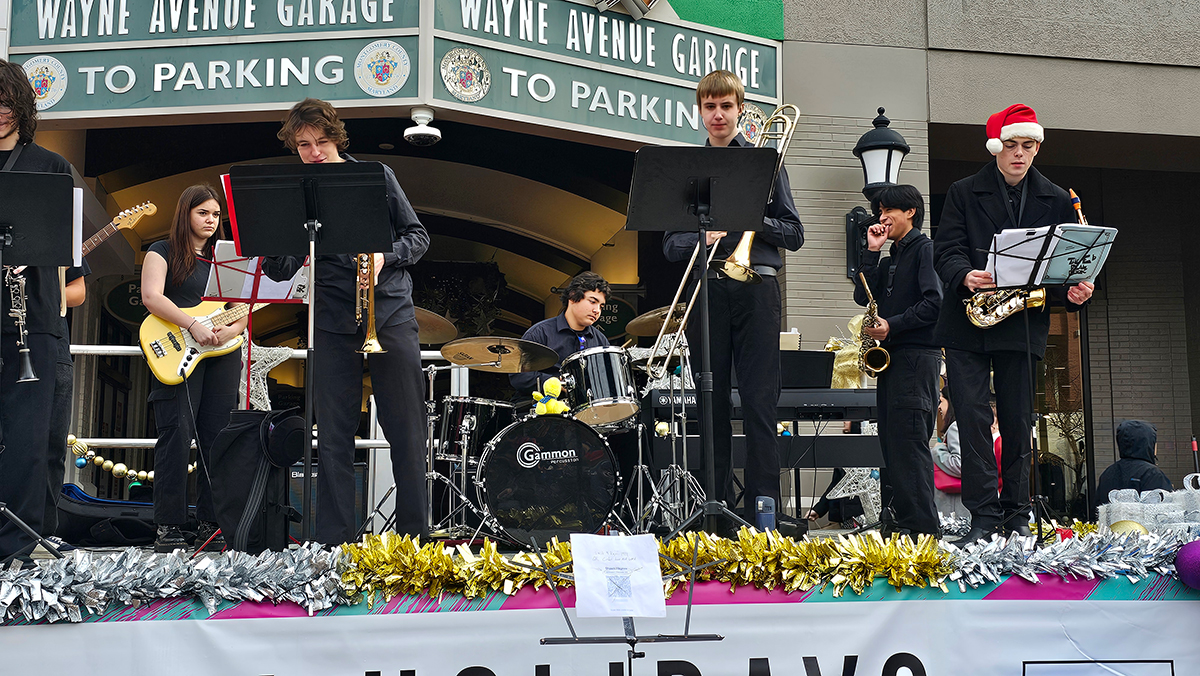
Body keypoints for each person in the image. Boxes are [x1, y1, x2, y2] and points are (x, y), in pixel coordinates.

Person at [263, 98, 429, 545]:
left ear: (336, 136)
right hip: (332, 318)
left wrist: (384, 255)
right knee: (333, 435)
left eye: (320, 141)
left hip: (389, 312)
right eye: (303, 145)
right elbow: (278, 269)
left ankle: (416, 540)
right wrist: (274, 234)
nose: (313, 152)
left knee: (407, 428)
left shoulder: (376, 175)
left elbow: (418, 236)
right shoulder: (297, 190)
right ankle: (335, 544)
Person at [932, 103, 1094, 543]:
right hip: (968, 318)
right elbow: (945, 249)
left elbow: (1063, 268)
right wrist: (964, 274)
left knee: (1020, 420)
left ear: (1037, 147)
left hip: (1022, 321)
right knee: (970, 416)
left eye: (1027, 145)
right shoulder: (964, 191)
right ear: (995, 148)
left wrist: (1075, 293)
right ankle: (983, 516)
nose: (1019, 154)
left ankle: (1017, 514)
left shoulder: (1059, 198)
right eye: (1010, 145)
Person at [662, 70, 803, 526]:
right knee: (711, 402)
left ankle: (764, 513)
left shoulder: (767, 163)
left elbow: (795, 234)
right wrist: (703, 236)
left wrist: (750, 220)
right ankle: (715, 515)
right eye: (709, 106)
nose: (718, 115)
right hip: (708, 290)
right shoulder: (689, 168)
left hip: (757, 287)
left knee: (761, 402)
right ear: (698, 111)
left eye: (726, 106)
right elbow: (670, 245)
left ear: (741, 110)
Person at [0, 59, 85, 565]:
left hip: (32, 322)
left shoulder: (51, 167)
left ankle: (15, 547)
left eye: (7, 104)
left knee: (30, 442)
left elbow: (69, 255)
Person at [141, 185, 247, 553]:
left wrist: (229, 330)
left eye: (216, 215)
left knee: (216, 438)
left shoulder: (225, 257)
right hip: (177, 348)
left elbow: (241, 311)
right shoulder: (162, 250)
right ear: (186, 213)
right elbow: (152, 296)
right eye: (203, 212)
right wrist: (192, 325)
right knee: (176, 433)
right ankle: (168, 526)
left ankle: (209, 523)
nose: (211, 220)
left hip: (221, 355)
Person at [852, 184, 942, 536]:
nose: (881, 216)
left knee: (909, 445)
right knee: (892, 444)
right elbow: (864, 296)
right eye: (879, 210)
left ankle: (922, 530)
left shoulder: (926, 250)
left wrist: (894, 325)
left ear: (911, 212)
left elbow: (935, 303)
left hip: (916, 359)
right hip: (892, 360)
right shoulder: (892, 258)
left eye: (890, 209)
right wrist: (871, 252)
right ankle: (903, 524)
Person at [509, 271, 612, 396]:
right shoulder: (541, 332)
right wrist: (554, 383)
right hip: (542, 408)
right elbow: (518, 376)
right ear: (573, 297)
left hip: (587, 411)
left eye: (601, 306)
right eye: (592, 302)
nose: (597, 310)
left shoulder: (601, 341)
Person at [1096, 420, 1172, 506]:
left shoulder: (1107, 473)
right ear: (1148, 443)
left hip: (1112, 519)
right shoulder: (1152, 474)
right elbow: (1165, 509)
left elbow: (1097, 509)